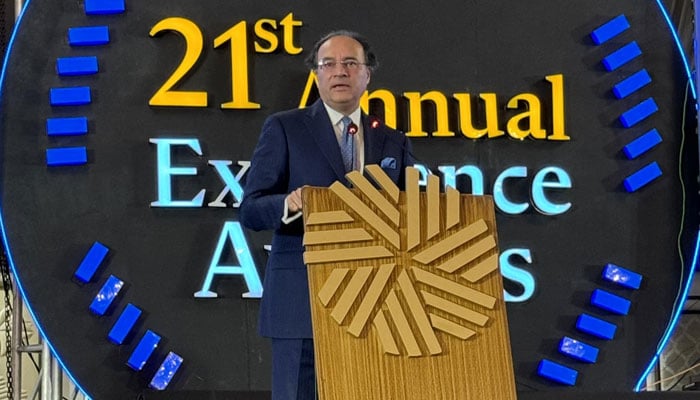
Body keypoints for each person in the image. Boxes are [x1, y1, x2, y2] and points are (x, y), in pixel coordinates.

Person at [239, 30, 414, 400]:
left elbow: (416, 205)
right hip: (300, 302)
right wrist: (290, 203)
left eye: (351, 63)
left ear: (367, 75)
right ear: (316, 74)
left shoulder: (393, 141)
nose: (340, 72)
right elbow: (251, 210)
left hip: (376, 306)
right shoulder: (285, 128)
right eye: (329, 64)